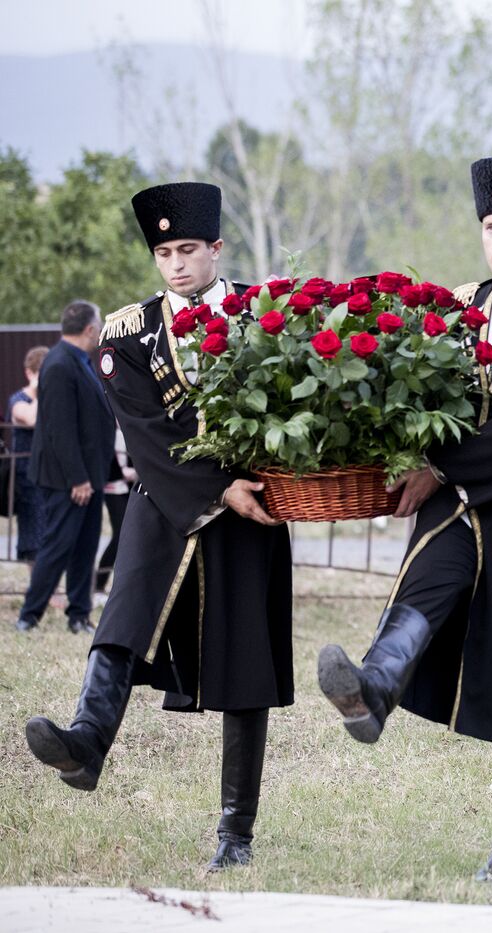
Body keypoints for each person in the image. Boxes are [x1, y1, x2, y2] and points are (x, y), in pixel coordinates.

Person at [317, 157, 492, 883]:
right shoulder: (454, 302)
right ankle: (374, 686)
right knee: (426, 585)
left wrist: (443, 466)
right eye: (490, 226)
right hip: (458, 498)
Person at [24, 181, 291, 872]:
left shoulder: (265, 313)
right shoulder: (127, 330)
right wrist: (216, 486)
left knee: (244, 667)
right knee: (122, 619)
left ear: (216, 249)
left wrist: (246, 484)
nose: (176, 263)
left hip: (253, 505)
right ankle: (86, 744)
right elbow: (144, 433)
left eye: (188, 249)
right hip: (165, 496)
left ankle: (236, 834)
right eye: (164, 251)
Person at [16, 301, 115, 635]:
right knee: (59, 545)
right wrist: (78, 479)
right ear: (88, 329)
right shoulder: (59, 364)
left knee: (86, 545)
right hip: (68, 478)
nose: (100, 329)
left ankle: (78, 614)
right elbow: (60, 428)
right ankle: (29, 616)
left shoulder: (78, 361)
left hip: (90, 474)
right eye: (98, 324)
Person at [8, 345, 49, 562]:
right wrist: (39, 389)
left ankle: (48, 590)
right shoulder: (18, 400)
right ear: (29, 373)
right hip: (26, 478)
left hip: (48, 474)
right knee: (33, 535)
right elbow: (32, 419)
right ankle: (40, 589)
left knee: (51, 533)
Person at [94, 429, 137, 594]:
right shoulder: (109, 423)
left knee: (131, 535)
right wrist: (122, 473)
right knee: (120, 535)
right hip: (113, 486)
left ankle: (123, 585)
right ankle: (99, 583)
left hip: (130, 486)